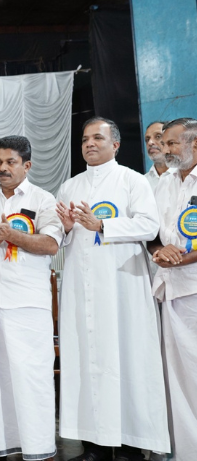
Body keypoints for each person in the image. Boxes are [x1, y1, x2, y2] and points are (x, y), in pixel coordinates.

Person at [56, 117, 169, 461]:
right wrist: (64, 228)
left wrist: (102, 224)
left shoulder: (133, 181)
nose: (89, 144)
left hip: (122, 286)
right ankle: (93, 443)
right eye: (85, 139)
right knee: (86, 360)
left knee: (128, 357)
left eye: (97, 138)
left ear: (115, 145)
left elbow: (150, 226)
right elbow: (60, 239)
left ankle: (132, 443)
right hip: (80, 286)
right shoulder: (70, 186)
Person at [0, 136, 61, 461]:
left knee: (31, 376)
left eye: (10, 162)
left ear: (27, 165)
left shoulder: (42, 198)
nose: (2, 168)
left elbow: (51, 244)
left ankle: (39, 448)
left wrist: (11, 234)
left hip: (27, 302)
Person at [148, 117, 197, 461]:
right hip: (169, 290)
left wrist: (183, 259)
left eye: (172, 144)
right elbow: (151, 232)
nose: (165, 150)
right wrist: (158, 252)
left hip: (194, 287)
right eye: (164, 144)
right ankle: (184, 452)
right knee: (177, 378)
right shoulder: (163, 183)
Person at [144, 121, 173, 190]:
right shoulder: (142, 182)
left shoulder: (187, 176)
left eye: (158, 136)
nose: (150, 143)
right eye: (147, 139)